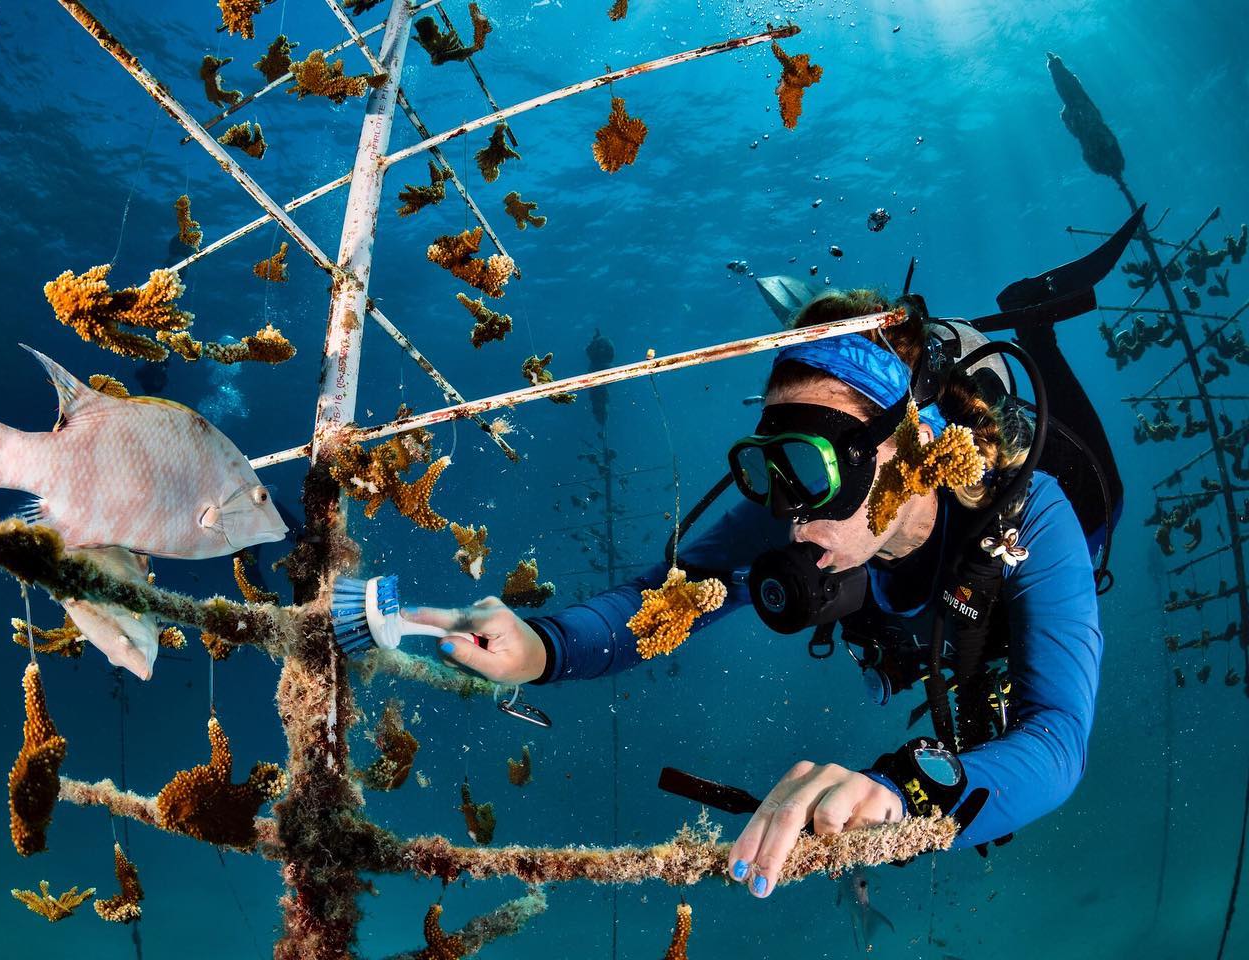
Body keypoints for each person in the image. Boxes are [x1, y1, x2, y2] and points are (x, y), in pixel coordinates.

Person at [405, 287, 1121, 902]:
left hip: (1053, 544)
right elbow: (671, 596)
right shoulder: (796, 506)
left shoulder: (1032, 516)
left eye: (810, 464)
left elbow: (1058, 743)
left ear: (902, 448)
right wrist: (544, 647)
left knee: (1106, 497)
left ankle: (1037, 328)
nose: (794, 515)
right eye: (768, 469)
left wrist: (904, 791)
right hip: (927, 623)